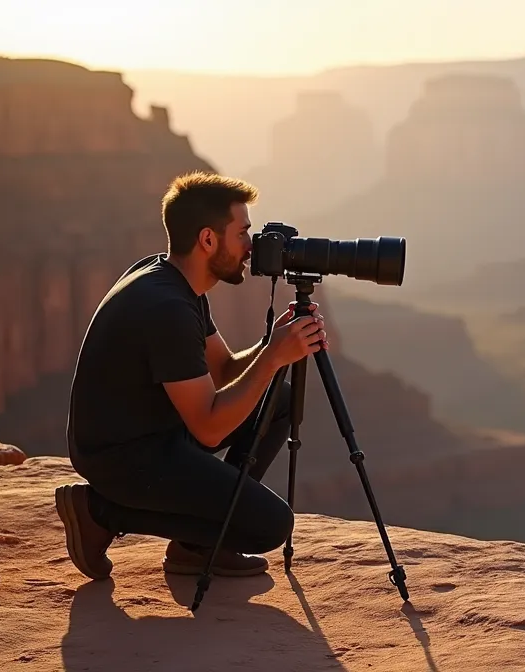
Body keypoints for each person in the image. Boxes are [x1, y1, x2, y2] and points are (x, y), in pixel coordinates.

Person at [54, 171, 329, 581]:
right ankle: (99, 512)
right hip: (121, 457)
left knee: (282, 401)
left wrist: (275, 343)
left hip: (153, 432)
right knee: (269, 526)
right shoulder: (167, 308)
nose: (251, 248)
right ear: (207, 240)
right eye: (243, 233)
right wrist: (273, 357)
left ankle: (196, 546)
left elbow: (222, 371)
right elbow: (209, 430)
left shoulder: (176, 281)